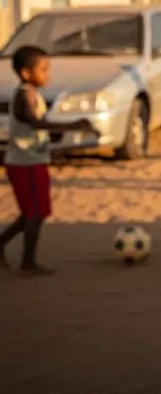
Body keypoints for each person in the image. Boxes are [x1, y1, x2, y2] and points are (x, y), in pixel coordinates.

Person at [0, 46, 97, 275]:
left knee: (34, 212)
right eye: (43, 70)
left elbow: (36, 131)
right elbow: (36, 124)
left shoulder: (32, 94)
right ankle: (28, 262)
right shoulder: (24, 95)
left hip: (32, 160)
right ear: (26, 73)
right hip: (23, 164)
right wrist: (73, 125)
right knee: (34, 213)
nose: (47, 75)